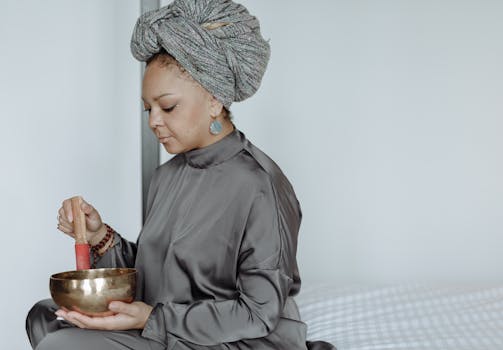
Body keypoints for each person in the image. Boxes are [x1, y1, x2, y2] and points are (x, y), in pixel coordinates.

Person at [26, 1, 336, 349]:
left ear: (215, 99)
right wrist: (99, 235)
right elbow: (158, 274)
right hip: (165, 324)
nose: (154, 121)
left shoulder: (260, 186)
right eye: (148, 109)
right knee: (45, 315)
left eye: (168, 106)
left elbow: (258, 314)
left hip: (232, 339)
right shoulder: (166, 176)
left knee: (62, 344)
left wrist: (151, 319)